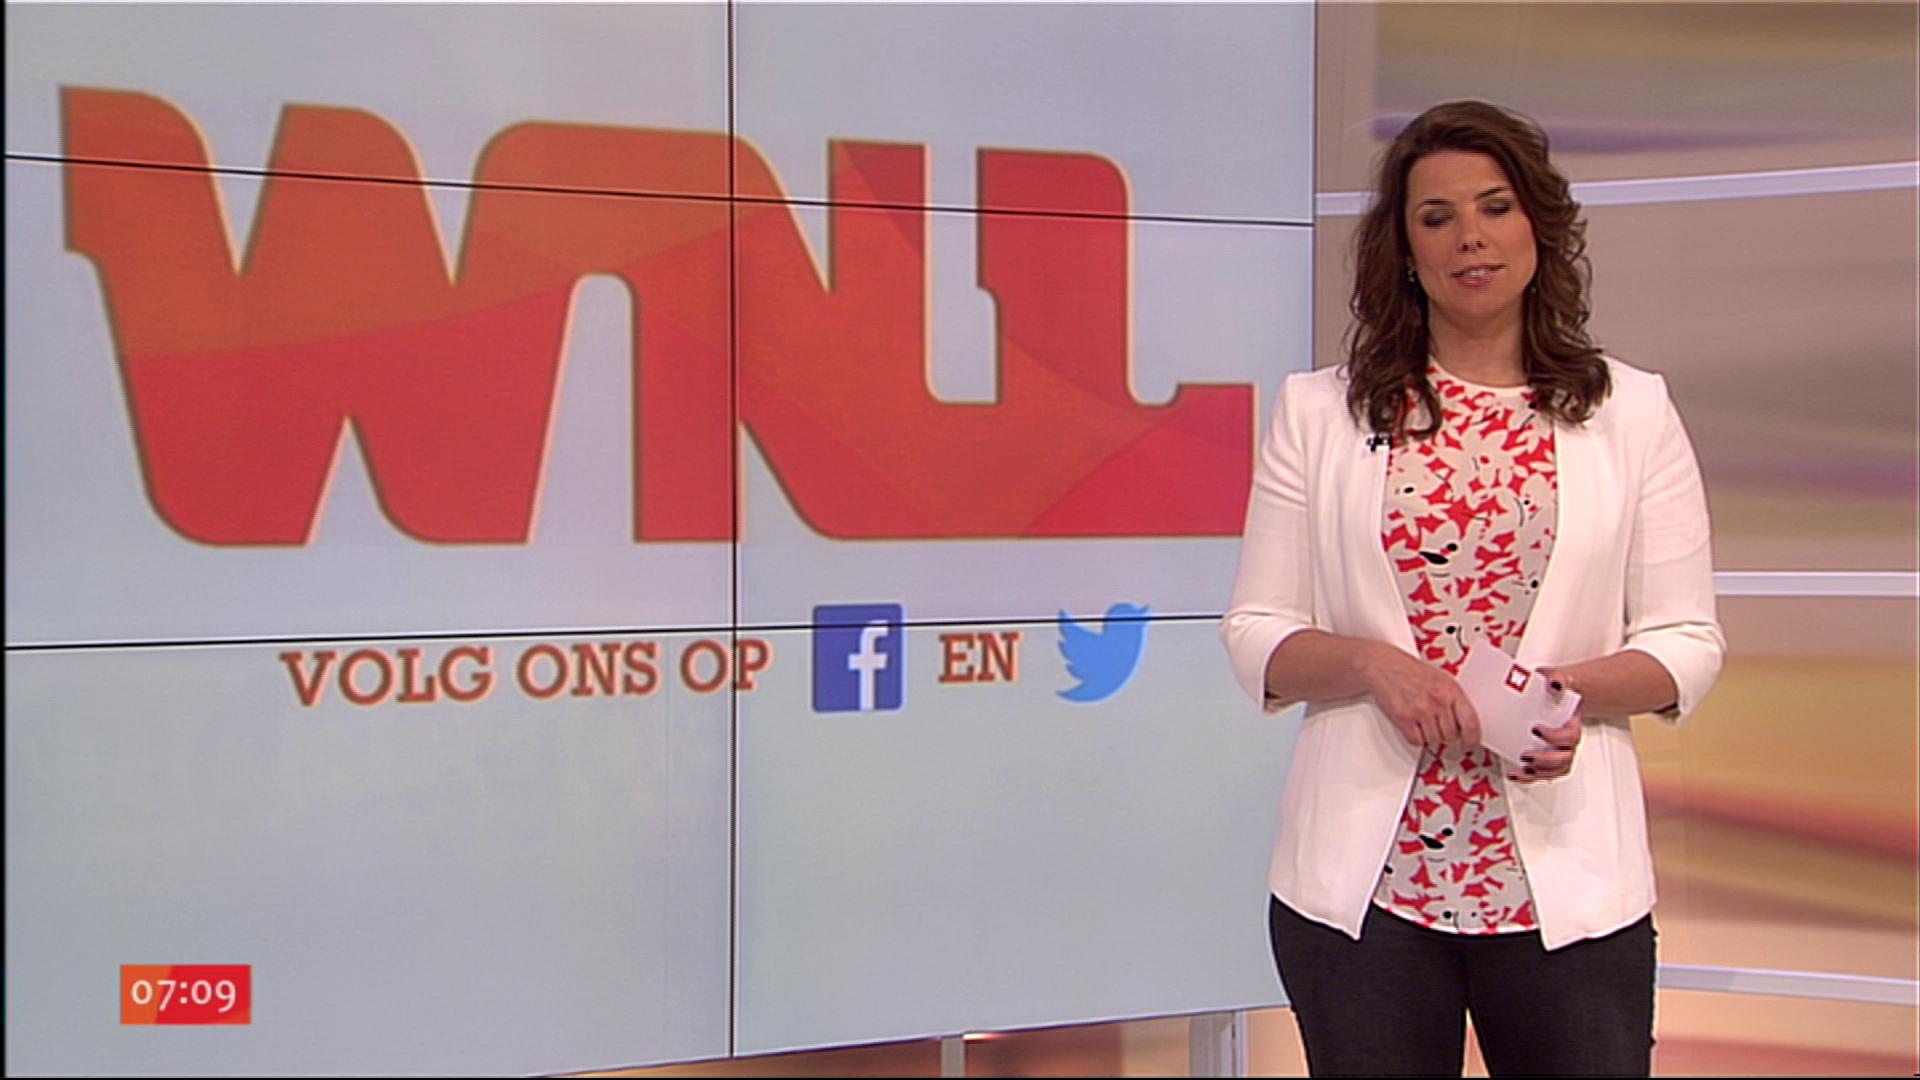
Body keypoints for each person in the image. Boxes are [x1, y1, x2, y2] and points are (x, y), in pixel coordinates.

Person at [1221, 100, 1724, 1077]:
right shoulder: (1319, 412)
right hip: (1365, 897)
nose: (1471, 237)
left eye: (1495, 207)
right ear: (1406, 250)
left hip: (1567, 889)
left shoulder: (1631, 411)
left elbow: (1686, 641)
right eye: (1437, 216)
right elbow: (1257, 630)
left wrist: (1561, 693)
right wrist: (1376, 666)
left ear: (1538, 226)